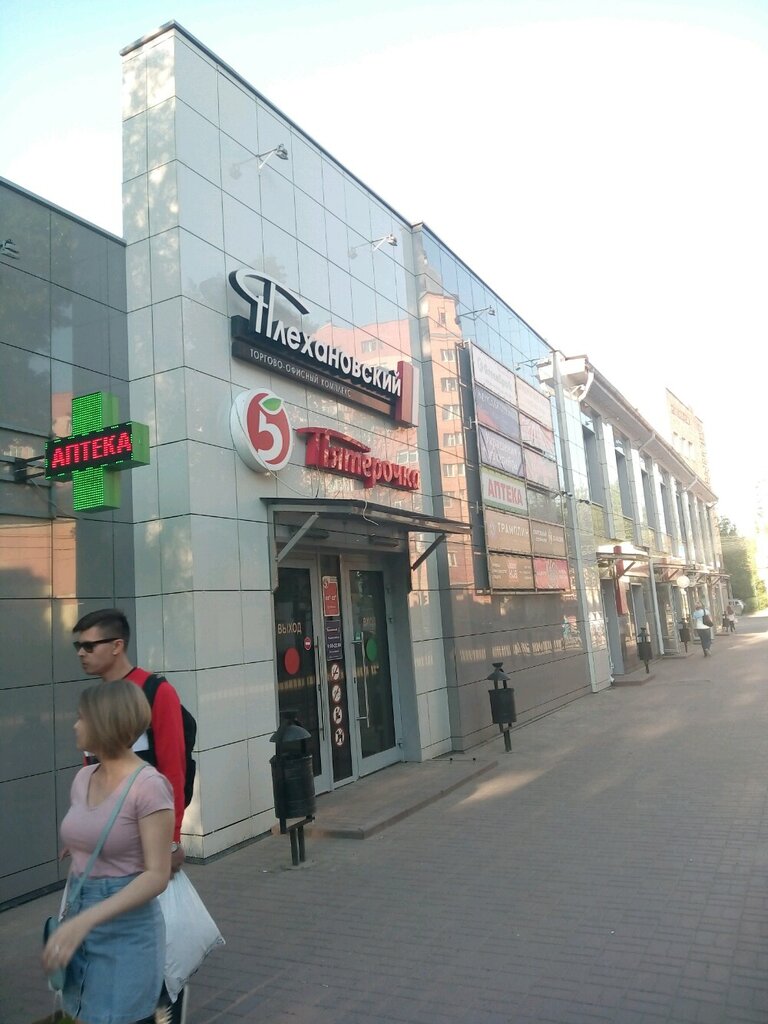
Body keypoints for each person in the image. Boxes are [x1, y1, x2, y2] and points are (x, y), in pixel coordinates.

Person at [72, 608, 189, 1024]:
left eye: (89, 646)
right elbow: (93, 772)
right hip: (107, 847)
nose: (81, 654)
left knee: (158, 941)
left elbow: (173, 769)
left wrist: (172, 839)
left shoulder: (156, 691)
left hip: (147, 839)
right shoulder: (95, 704)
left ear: (117, 646)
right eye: (78, 646)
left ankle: (163, 1011)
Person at [42, 680, 174, 1024]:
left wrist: (86, 920)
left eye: (81, 717)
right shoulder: (83, 778)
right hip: (79, 918)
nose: (75, 725)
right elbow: (95, 826)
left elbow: (157, 875)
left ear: (105, 721)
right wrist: (80, 843)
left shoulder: (149, 786)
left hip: (127, 934)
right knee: (80, 1014)